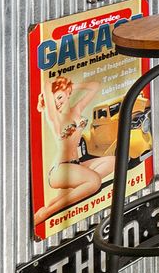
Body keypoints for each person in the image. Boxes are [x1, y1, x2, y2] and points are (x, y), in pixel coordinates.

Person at [33, 75, 115, 229]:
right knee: (94, 182)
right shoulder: (55, 117)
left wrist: (71, 86)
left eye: (60, 97)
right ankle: (47, 213)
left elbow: (95, 86)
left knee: (113, 161)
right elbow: (46, 84)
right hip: (60, 169)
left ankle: (62, 198)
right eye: (55, 100)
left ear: (67, 93)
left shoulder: (76, 109)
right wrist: (54, 91)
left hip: (77, 165)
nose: (58, 102)